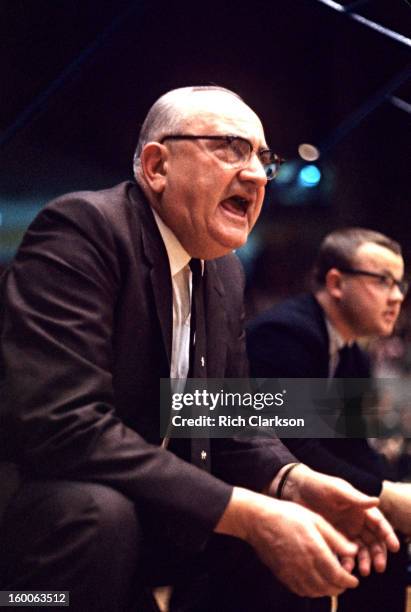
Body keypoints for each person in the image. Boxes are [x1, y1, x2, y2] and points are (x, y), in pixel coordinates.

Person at [0, 89, 398, 612]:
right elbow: (66, 424)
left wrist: (293, 483)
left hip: (151, 509)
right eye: (230, 148)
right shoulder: (81, 228)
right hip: (42, 538)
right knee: (102, 512)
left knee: (291, 527)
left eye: (262, 158)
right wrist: (256, 510)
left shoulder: (227, 272)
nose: (256, 174)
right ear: (156, 165)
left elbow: (226, 418)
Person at [247, 227, 411, 611]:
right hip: (258, 492)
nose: (398, 297)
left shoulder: (352, 352)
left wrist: (390, 494)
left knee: (385, 537)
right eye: (384, 281)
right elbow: (290, 448)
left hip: (302, 489)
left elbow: (354, 448)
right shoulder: (285, 333)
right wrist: (385, 497)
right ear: (336, 282)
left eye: (400, 284)